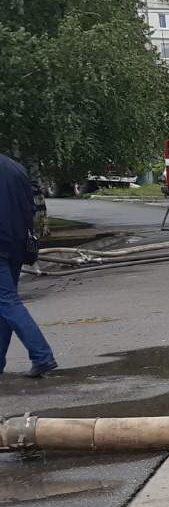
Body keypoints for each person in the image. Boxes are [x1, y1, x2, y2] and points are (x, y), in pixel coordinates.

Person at [0, 154, 57, 378]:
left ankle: (42, 356)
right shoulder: (15, 168)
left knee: (7, 302)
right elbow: (31, 207)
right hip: (16, 244)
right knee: (5, 303)